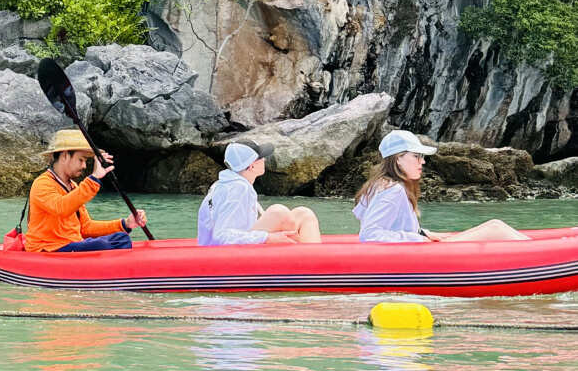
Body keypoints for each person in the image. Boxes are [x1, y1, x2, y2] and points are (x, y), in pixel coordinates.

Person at [356, 131, 531, 243]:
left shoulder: (383, 185)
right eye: (416, 156)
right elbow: (370, 234)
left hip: (414, 249)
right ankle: (546, 254)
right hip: (415, 255)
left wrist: (423, 233)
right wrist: (418, 239)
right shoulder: (392, 190)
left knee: (495, 224)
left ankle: (542, 250)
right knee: (496, 228)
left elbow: (394, 227)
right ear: (398, 159)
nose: (422, 162)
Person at [26, 128, 148, 254]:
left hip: (71, 244)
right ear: (65, 156)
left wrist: (125, 224)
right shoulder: (42, 184)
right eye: (81, 160)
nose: (84, 166)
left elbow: (85, 227)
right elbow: (61, 208)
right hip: (48, 248)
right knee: (101, 245)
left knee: (122, 239)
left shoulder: (73, 186)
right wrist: (94, 178)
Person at [198, 142, 322, 246]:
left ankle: (314, 262)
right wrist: (267, 238)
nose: (264, 159)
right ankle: (308, 264)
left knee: (304, 214)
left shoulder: (229, 184)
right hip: (221, 254)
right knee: (278, 213)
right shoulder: (237, 189)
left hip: (227, 247)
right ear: (251, 166)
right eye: (260, 158)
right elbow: (222, 236)